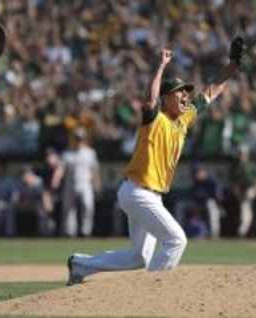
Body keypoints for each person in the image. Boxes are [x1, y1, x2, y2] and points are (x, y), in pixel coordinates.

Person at [67, 45, 241, 285]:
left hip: (148, 195)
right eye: (179, 92)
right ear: (166, 98)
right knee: (177, 240)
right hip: (138, 192)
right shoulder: (155, 118)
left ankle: (80, 264)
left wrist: (232, 66)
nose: (185, 96)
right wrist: (160, 66)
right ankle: (153, 290)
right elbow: (149, 99)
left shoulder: (183, 120)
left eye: (186, 93)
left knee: (139, 257)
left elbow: (211, 91)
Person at [61, 127, 101, 237]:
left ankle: (86, 231)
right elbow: (61, 170)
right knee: (69, 209)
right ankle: (70, 232)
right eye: (77, 138)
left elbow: (95, 170)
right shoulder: (67, 154)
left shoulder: (90, 153)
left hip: (85, 183)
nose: (79, 141)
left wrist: (97, 184)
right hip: (70, 183)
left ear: (84, 139)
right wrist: (57, 180)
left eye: (81, 138)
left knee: (88, 206)